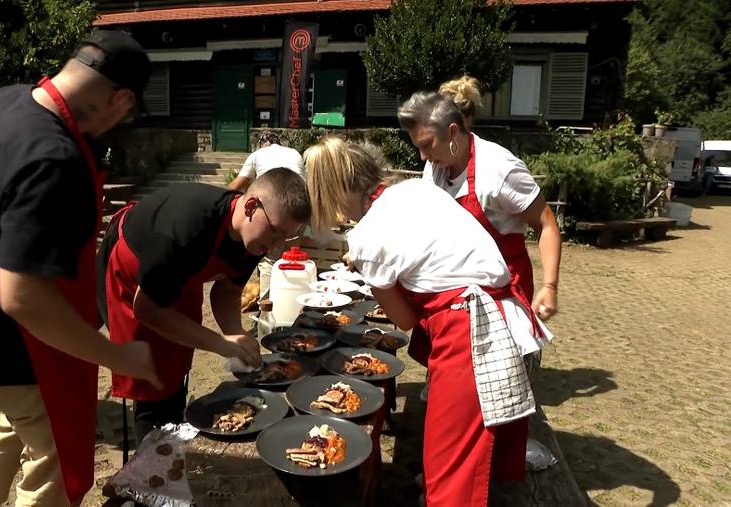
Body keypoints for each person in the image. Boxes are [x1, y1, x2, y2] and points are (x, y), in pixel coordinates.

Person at [0, 30, 161, 506]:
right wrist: (117, 356)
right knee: (54, 462)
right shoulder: (53, 158)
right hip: (20, 346)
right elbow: (23, 298)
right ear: (120, 97)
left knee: (6, 426)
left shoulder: (3, 101)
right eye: (126, 113)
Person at [304, 136, 551, 506]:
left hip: (470, 332)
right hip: (503, 317)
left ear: (339, 193)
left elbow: (403, 320)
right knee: (472, 453)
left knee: (451, 465)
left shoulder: (367, 236)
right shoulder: (419, 189)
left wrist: (379, 279)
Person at [98, 168, 311, 442]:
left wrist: (234, 331)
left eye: (286, 238)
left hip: (180, 276)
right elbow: (148, 310)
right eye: (275, 233)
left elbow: (227, 291)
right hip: (133, 274)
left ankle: (173, 429)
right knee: (152, 374)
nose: (276, 247)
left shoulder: (255, 238)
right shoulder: (188, 224)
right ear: (250, 206)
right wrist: (219, 343)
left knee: (178, 357)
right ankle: (151, 462)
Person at [404, 91, 562, 324]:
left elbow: (545, 222)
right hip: (457, 292)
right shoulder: (435, 167)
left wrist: (550, 286)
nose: (422, 156)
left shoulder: (500, 169)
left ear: (453, 133)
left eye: (427, 145)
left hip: (503, 296)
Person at [227, 130, 306, 299]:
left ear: (262, 144)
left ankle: (267, 310)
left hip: (274, 214)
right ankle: (289, 302)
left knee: (268, 261)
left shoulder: (258, 154)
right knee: (291, 260)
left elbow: (236, 185)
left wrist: (221, 202)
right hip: (298, 217)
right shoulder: (294, 153)